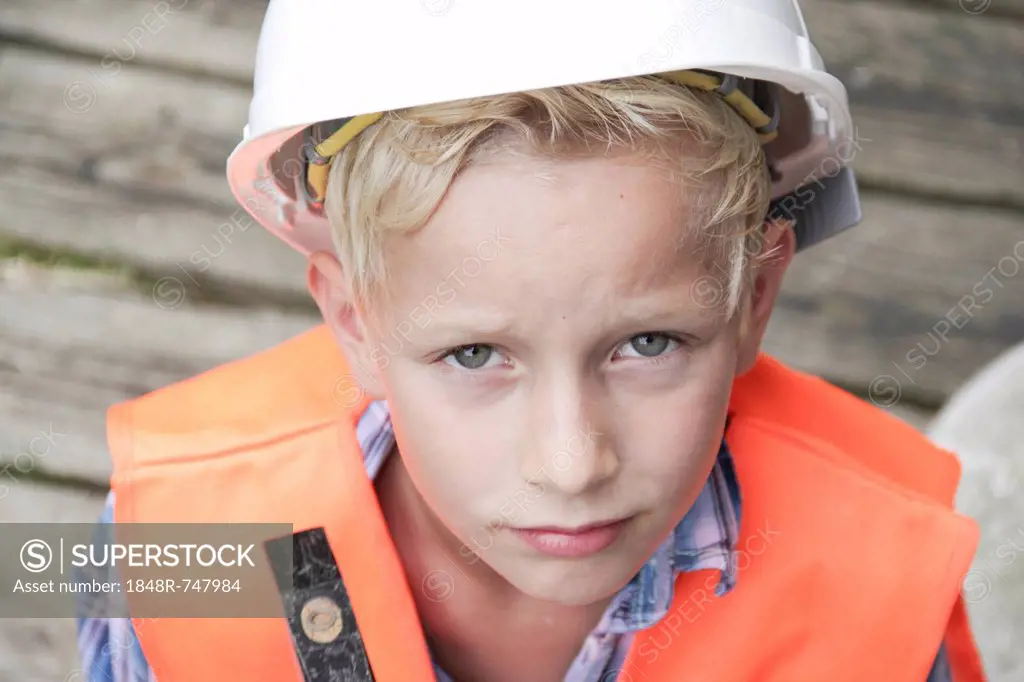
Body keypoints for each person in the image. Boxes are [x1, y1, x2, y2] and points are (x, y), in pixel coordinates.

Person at [76, 0, 987, 680]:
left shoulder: (884, 574)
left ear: (755, 296)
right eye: (475, 355)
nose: (571, 463)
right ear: (355, 323)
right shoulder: (171, 540)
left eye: (650, 343)